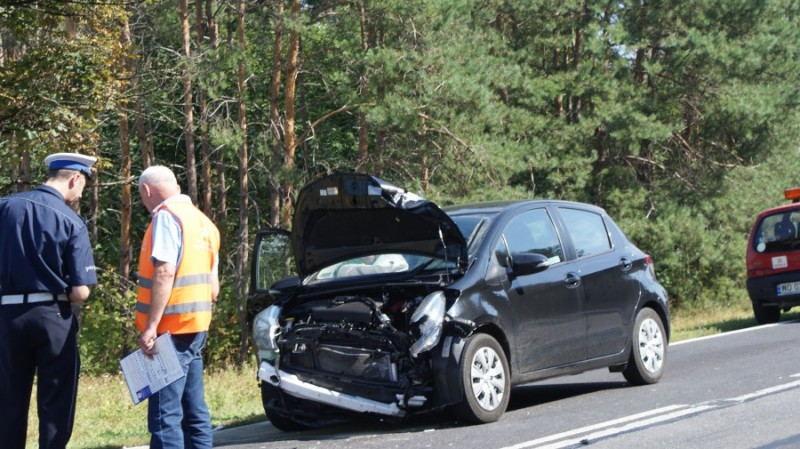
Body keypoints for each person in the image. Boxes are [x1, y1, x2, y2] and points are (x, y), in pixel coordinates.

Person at [0, 152, 98, 449]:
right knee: (56, 400)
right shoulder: (71, 220)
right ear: (74, 178)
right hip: (52, 316)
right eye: (83, 186)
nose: (80, 194)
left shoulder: (4, 207)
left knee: (7, 400)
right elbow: (81, 291)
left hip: (6, 316)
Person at [135, 165, 220, 449]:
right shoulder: (204, 223)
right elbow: (214, 289)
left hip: (169, 331)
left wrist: (150, 327)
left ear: (146, 190)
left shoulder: (166, 217)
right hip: (196, 328)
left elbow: (164, 272)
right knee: (194, 410)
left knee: (164, 414)